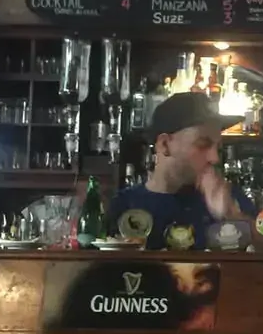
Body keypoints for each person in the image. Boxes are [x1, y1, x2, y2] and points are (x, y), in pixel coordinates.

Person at [106, 91, 251, 251]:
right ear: (164, 145)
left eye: (219, 148)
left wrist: (232, 215)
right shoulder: (124, 205)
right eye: (203, 144)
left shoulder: (228, 198)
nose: (214, 158)